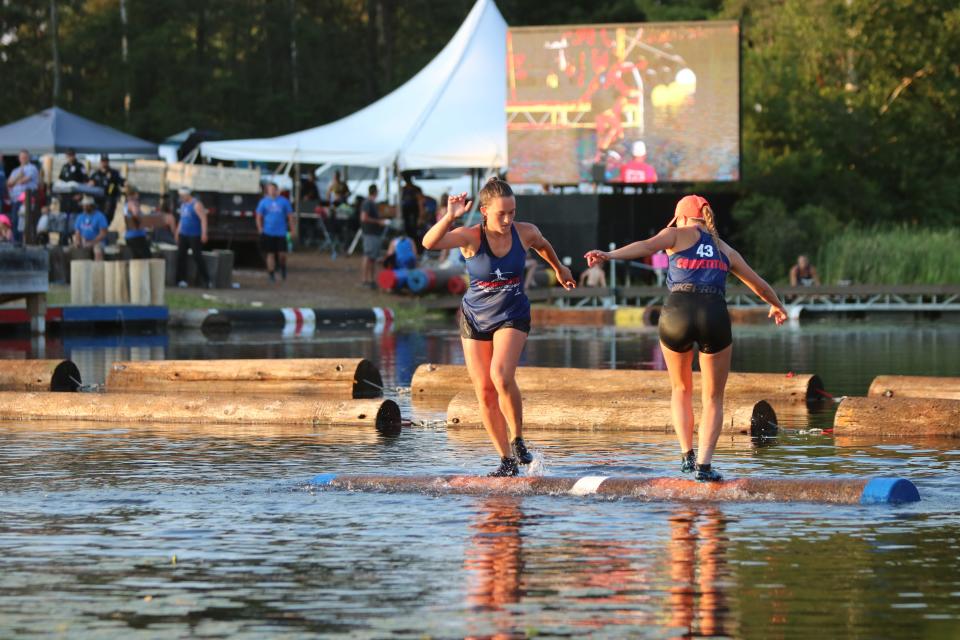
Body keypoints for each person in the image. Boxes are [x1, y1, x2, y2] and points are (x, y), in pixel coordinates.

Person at [584, 195, 787, 482]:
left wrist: (609, 255)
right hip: (713, 315)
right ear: (706, 218)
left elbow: (645, 246)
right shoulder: (724, 248)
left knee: (680, 389)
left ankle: (686, 456)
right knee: (713, 397)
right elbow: (759, 284)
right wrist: (777, 305)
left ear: (680, 218)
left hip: (677, 313)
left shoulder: (674, 234)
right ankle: (704, 467)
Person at [422, 177, 576, 477]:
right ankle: (506, 460)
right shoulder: (469, 237)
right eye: (500, 214)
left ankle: (517, 439)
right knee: (484, 390)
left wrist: (560, 268)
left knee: (500, 375)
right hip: (475, 318)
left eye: (512, 212)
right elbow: (429, 243)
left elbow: (543, 245)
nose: (507, 220)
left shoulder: (525, 232)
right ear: (483, 211)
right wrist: (450, 217)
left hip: (512, 313)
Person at [255, 182, 296, 282]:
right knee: (270, 254)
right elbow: (258, 216)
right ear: (267, 191)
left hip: (281, 233)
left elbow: (290, 217)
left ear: (277, 190)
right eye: (270, 189)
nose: (272, 191)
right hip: (268, 232)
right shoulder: (263, 202)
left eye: (274, 189)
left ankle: (282, 267)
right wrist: (260, 228)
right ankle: (271, 274)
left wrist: (292, 229)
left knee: (282, 255)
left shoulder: (284, 202)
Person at [174, 187, 211, 288]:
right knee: (181, 256)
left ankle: (206, 280)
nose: (181, 198)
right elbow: (182, 219)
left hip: (194, 235)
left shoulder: (196, 204)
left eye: (182, 196)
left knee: (197, 256)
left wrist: (204, 233)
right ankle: (181, 279)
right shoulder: (183, 205)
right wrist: (177, 232)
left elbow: (203, 219)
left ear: (187, 195)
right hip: (183, 234)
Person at [6, 149, 40, 243]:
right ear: (19, 158)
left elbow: (24, 181)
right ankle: (16, 241)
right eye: (22, 157)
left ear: (28, 157)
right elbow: (8, 184)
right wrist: (18, 176)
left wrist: (14, 182)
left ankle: (24, 242)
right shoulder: (15, 170)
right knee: (15, 220)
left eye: (25, 157)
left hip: (27, 200)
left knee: (25, 221)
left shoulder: (32, 168)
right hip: (15, 199)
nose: (23, 159)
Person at [359, 185, 388, 288]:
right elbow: (364, 218)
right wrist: (378, 221)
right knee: (368, 255)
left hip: (373, 233)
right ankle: (365, 280)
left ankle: (370, 280)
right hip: (369, 233)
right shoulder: (367, 203)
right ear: (375, 192)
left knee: (372, 257)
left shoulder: (372, 203)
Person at [88, 155, 124, 224]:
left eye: (106, 161)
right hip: (98, 201)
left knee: (107, 218)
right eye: (103, 161)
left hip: (110, 199)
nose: (104, 163)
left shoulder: (114, 173)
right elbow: (89, 184)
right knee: (97, 218)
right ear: (100, 162)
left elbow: (121, 181)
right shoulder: (96, 174)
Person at [72, 195, 109, 260]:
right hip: (84, 241)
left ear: (91, 206)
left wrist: (92, 242)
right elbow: (77, 232)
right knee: (72, 250)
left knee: (97, 251)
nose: (84, 207)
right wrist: (78, 241)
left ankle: (98, 268)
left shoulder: (100, 216)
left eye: (86, 205)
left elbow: (103, 233)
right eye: (83, 205)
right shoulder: (80, 217)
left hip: (98, 242)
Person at [122, 186, 151, 259]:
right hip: (137, 235)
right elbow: (136, 214)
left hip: (130, 235)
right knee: (146, 258)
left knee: (137, 258)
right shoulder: (133, 203)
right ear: (134, 194)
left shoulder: (126, 204)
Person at [400, 174, 424, 239]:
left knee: (415, 233)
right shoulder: (403, 189)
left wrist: (420, 217)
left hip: (414, 214)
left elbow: (420, 203)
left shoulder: (416, 189)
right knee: (407, 231)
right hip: (406, 215)